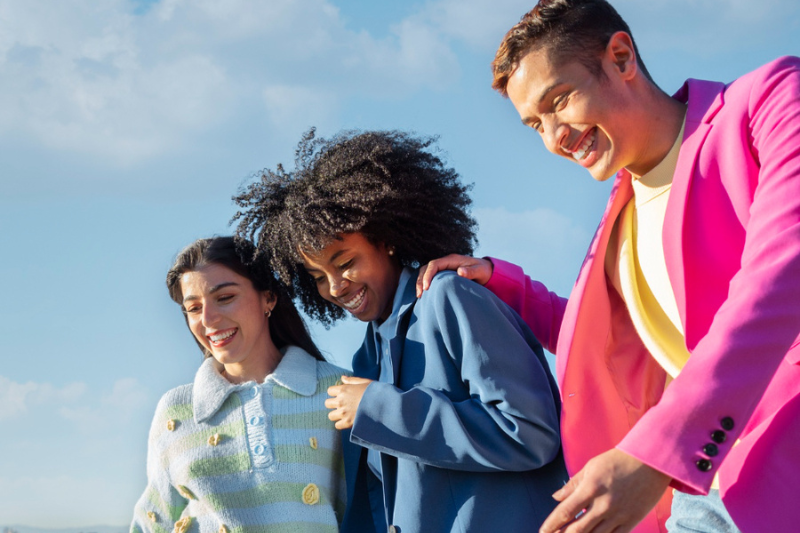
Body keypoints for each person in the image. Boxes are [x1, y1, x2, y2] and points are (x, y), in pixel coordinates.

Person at [418, 1, 800, 532]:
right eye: (535, 125)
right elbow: (610, 342)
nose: (555, 137)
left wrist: (656, 451)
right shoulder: (618, 221)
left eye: (560, 101)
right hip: (705, 487)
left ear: (621, 57)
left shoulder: (770, 100)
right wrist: (506, 286)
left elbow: (782, 276)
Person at [233, 129, 569, 533]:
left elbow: (531, 432)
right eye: (317, 277)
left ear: (386, 240)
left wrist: (381, 408)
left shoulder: (451, 299)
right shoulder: (367, 356)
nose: (335, 287)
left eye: (345, 262)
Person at [130, 236, 369, 533]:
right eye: (193, 308)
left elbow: (365, 511)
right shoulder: (176, 410)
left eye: (225, 298)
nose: (209, 319)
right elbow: (154, 521)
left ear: (268, 298)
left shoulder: (337, 390)